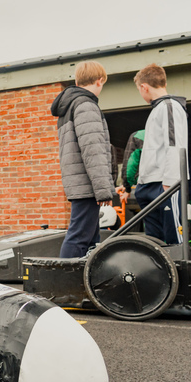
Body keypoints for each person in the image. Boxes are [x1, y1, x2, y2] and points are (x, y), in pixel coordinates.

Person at [50, 61, 118, 258]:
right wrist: (104, 190)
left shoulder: (70, 106)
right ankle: (64, 283)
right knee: (79, 237)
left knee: (88, 239)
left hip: (80, 183)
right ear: (99, 80)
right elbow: (93, 150)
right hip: (87, 185)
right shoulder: (86, 105)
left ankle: (81, 282)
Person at [134, 63, 188, 245]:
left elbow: (174, 145)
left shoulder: (169, 106)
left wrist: (170, 184)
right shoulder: (158, 109)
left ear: (144, 87)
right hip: (149, 184)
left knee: (174, 239)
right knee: (154, 242)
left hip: (165, 185)